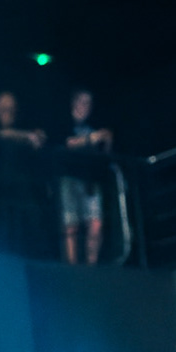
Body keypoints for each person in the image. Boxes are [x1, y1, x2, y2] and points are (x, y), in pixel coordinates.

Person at [59, 90, 113, 265]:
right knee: (71, 223)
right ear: (73, 103)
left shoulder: (93, 125)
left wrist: (107, 140)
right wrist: (92, 138)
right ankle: (73, 264)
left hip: (90, 180)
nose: (85, 107)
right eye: (82, 102)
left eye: (89, 103)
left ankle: (92, 263)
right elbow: (68, 143)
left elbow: (105, 154)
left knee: (96, 224)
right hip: (70, 177)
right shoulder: (65, 122)